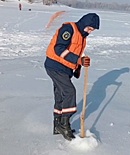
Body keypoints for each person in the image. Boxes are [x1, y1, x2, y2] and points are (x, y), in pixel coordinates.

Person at [44, 13, 100, 141]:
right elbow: (58, 48)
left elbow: (74, 52)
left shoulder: (82, 36)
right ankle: (65, 125)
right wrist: (78, 60)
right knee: (69, 92)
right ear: (84, 23)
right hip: (54, 65)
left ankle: (57, 125)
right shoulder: (69, 29)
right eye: (89, 28)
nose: (90, 32)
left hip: (64, 69)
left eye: (92, 30)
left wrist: (78, 66)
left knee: (60, 94)